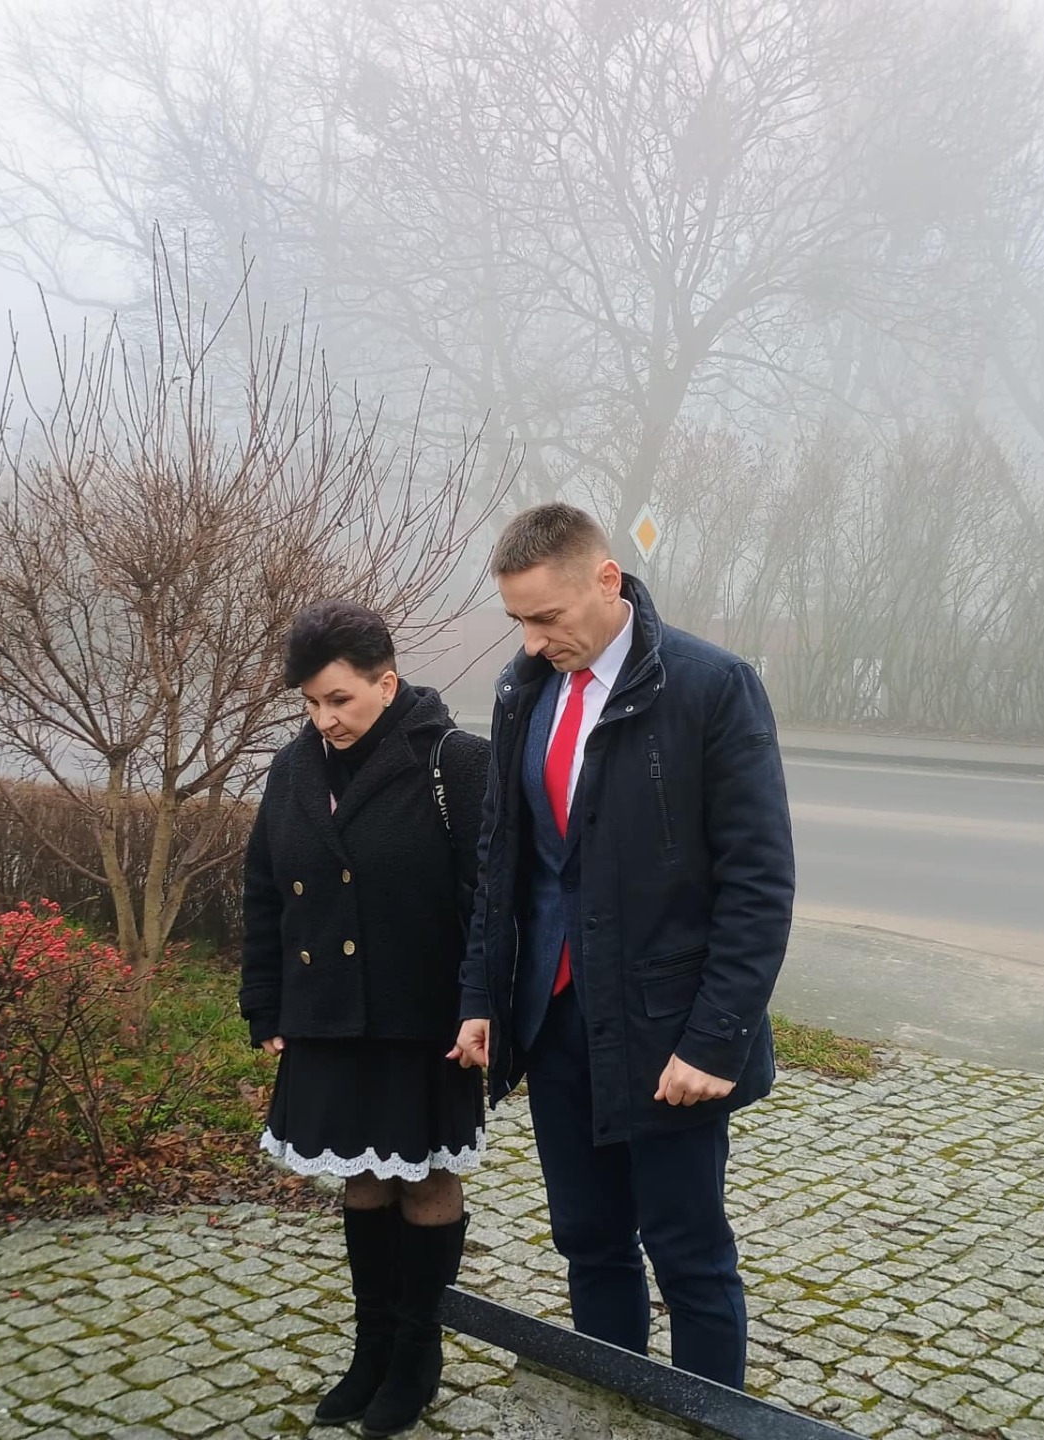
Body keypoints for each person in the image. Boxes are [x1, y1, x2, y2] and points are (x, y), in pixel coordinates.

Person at [449, 503, 796, 1388]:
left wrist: (713, 1040)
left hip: (666, 1032)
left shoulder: (711, 686)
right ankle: (611, 1403)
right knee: (588, 1239)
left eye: (546, 617)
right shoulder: (524, 689)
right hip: (555, 1020)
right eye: (518, 619)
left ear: (607, 580)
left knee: (688, 1252)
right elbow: (503, 860)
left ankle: (705, 1419)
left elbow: (759, 885)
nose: (532, 641)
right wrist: (483, 996)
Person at [239, 598, 490, 1436]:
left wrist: (481, 1006)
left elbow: (490, 901)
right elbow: (264, 890)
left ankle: (417, 1355)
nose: (324, 719)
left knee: (424, 1177)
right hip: (328, 1014)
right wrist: (264, 999)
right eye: (311, 702)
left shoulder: (455, 763)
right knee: (363, 1175)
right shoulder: (293, 768)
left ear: (387, 683)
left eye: (339, 699)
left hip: (423, 1017)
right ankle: (370, 1350)